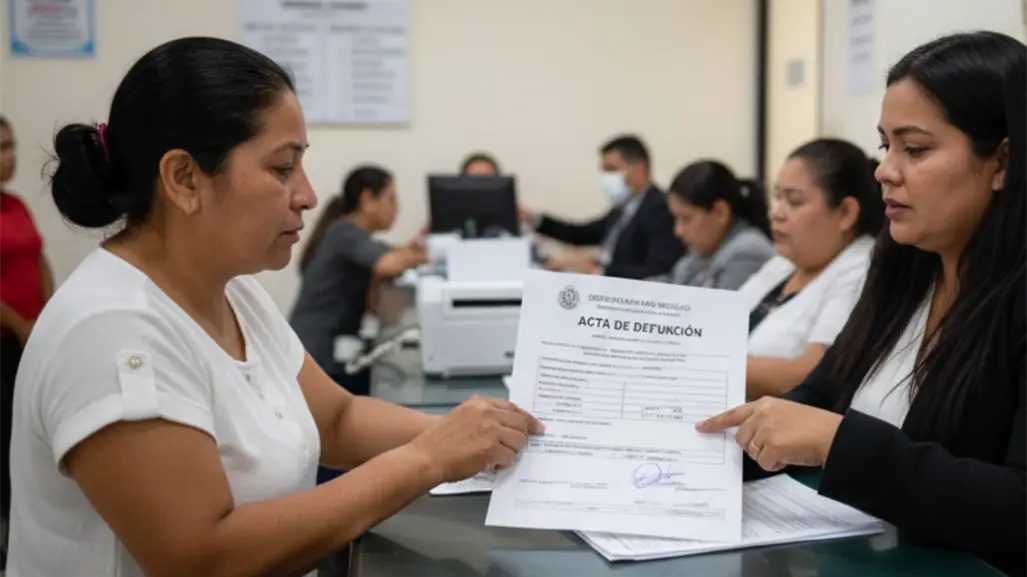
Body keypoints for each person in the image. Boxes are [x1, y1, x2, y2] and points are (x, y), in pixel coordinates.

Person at [8, 36, 542, 577]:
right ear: (184, 179)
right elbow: (201, 557)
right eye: (282, 169)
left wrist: (473, 432)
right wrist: (429, 459)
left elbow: (338, 417)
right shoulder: (111, 330)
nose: (308, 195)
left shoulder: (233, 291)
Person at [698, 31, 1027, 577]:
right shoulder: (903, 266)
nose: (885, 170)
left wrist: (837, 442)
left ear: (1002, 163)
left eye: (915, 149)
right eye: (885, 145)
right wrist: (709, 445)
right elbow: (819, 394)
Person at [739, 138, 883, 400]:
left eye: (794, 202)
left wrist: (705, 362)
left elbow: (808, 374)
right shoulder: (783, 263)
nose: (777, 213)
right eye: (777, 198)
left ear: (846, 213)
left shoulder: (860, 268)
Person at [291, 165, 425, 397]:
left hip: (330, 351)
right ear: (368, 198)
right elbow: (388, 263)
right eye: (391, 199)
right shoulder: (344, 232)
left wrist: (411, 252)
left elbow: (392, 255)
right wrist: (427, 256)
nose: (397, 209)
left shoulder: (351, 236)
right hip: (320, 354)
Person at [0, 114, 54, 568]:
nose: (9, 157)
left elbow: (38, 258)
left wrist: (52, 315)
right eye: (0, 148)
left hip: (28, 338)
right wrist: (20, 325)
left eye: (11, 145)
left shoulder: (16, 205)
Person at [520, 135, 683, 279]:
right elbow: (584, 233)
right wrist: (535, 219)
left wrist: (597, 270)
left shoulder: (661, 208)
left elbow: (657, 270)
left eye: (612, 170)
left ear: (639, 169)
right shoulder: (623, 207)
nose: (606, 178)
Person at [664, 160, 774, 290]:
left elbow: (717, 308)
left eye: (686, 219)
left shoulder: (749, 252)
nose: (678, 231)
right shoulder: (703, 249)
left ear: (720, 212)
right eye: (676, 219)